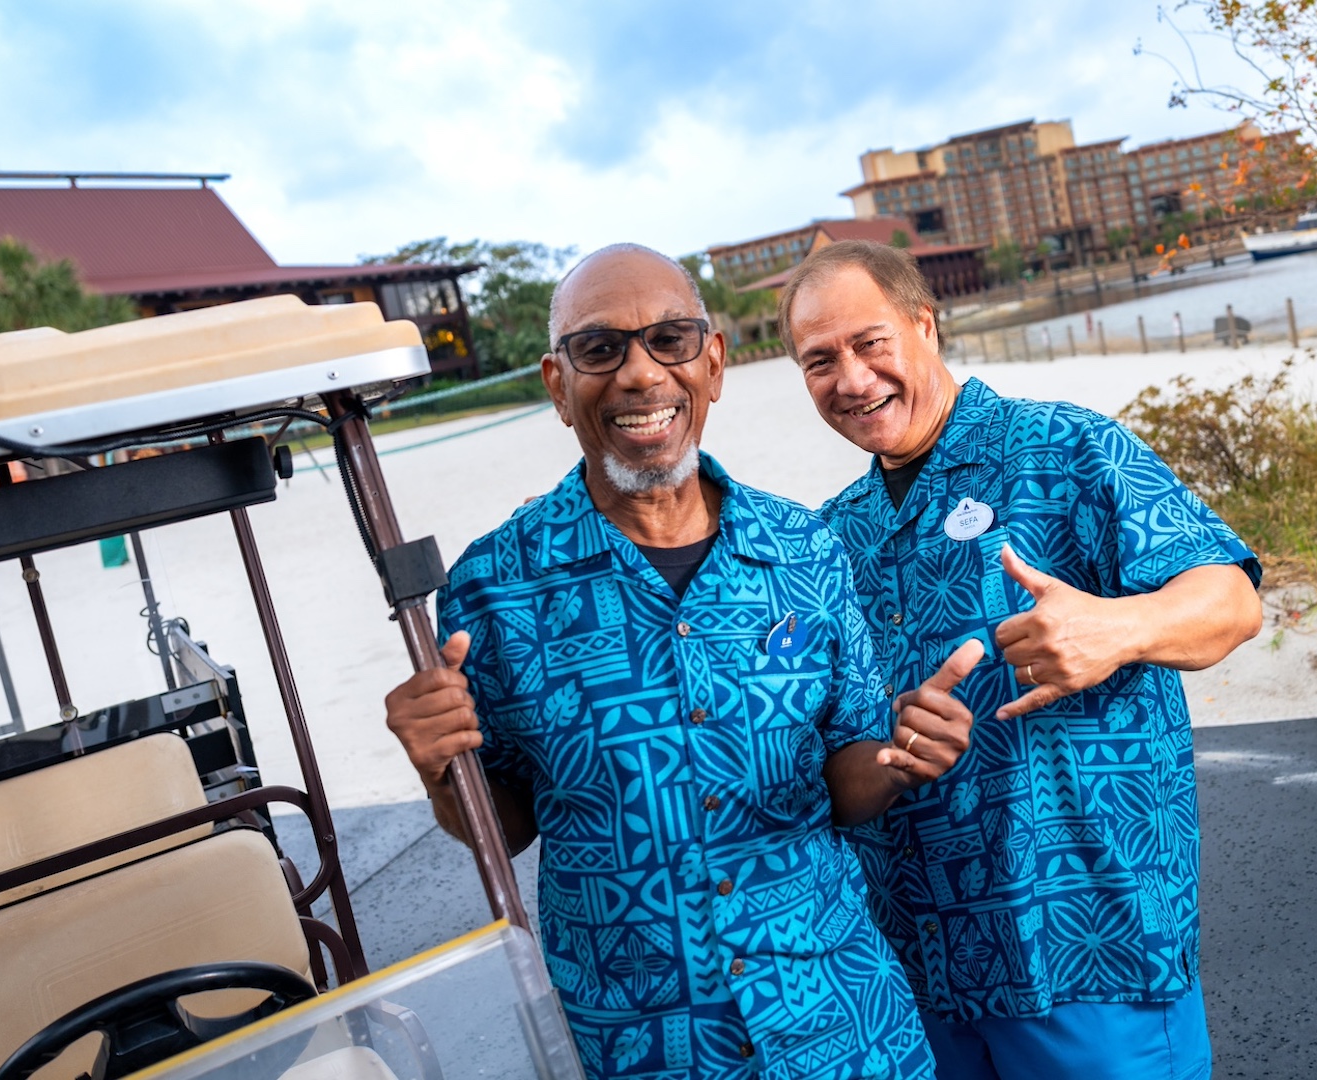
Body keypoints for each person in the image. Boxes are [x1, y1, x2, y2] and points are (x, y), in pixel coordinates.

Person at [383, 244, 985, 1080]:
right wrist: (439, 769)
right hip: (647, 1044)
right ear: (558, 384)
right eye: (600, 349)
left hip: (843, 1022)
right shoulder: (493, 588)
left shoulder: (804, 548)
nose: (640, 374)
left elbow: (845, 770)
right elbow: (505, 826)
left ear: (713, 365)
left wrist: (897, 758)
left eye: (670, 340)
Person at [778, 241, 1265, 1080]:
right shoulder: (830, 535)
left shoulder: (1065, 447)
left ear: (924, 325)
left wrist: (1120, 627)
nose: (852, 379)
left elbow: (1231, 602)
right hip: (915, 967)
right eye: (820, 361)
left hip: (1088, 949)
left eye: (870, 343)